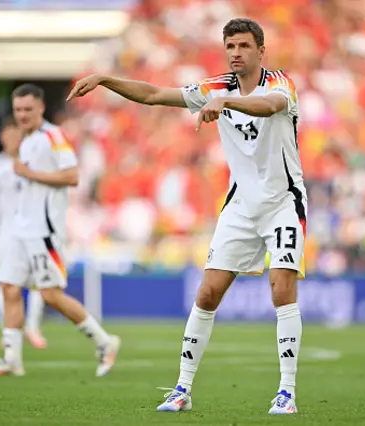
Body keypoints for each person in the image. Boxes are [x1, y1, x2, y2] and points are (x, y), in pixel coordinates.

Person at [68, 18, 305, 415]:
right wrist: (106, 78)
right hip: (240, 206)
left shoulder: (280, 83)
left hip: (284, 202)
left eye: (244, 46)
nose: (236, 53)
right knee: (208, 292)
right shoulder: (216, 87)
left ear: (261, 51)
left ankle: (286, 392)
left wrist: (225, 103)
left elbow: (271, 106)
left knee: (282, 288)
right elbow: (154, 94)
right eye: (230, 46)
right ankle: (182, 388)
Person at [0, 84, 120, 377]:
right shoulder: (27, 141)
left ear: (41, 108)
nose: (22, 115)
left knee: (51, 294)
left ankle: (105, 341)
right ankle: (12, 358)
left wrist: (31, 174)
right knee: (8, 287)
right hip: (19, 228)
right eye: (18, 110)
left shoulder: (52, 137)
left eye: (28, 109)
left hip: (44, 232)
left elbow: (72, 175)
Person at [0, 117, 48, 349]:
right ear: (1, 138)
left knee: (39, 281)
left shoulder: (34, 163)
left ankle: (32, 328)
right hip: (5, 233)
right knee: (4, 281)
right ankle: (8, 330)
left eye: (17, 135)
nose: (14, 139)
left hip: (33, 231)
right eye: (9, 135)